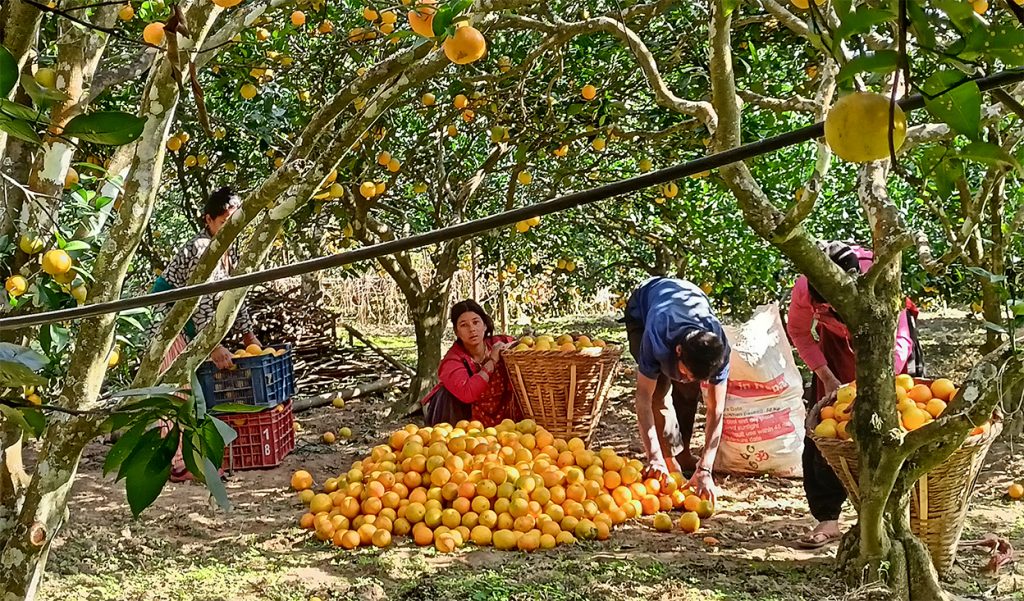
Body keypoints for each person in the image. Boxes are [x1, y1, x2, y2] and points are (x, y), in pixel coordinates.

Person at [787, 241, 921, 549]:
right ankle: (828, 518)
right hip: (835, 345)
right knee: (824, 427)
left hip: (883, 339)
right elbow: (799, 332)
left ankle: (900, 520)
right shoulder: (805, 287)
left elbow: (899, 340)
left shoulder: (879, 277)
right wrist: (828, 377)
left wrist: (875, 384)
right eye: (825, 307)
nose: (832, 310)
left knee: (901, 421)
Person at [148, 187, 262, 481]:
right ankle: (176, 465)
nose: (231, 227)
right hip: (168, 326)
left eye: (236, 221)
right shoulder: (202, 249)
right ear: (208, 220)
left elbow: (234, 297)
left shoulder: (230, 249)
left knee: (193, 395)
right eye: (225, 222)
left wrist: (248, 335)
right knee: (178, 394)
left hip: (190, 329)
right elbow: (196, 301)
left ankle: (190, 458)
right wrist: (212, 346)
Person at [623, 277, 731, 503]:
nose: (687, 377)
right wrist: (654, 457)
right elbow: (643, 397)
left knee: (688, 391)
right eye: (687, 371)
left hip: (688, 297)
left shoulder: (718, 350)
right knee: (659, 391)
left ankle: (683, 454)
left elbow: (716, 410)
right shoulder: (658, 334)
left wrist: (706, 468)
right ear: (678, 350)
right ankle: (669, 460)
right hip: (643, 310)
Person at [421, 300, 517, 427]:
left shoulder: (501, 342)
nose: (472, 329)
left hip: (504, 421)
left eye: (476, 322)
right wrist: (492, 362)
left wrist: (511, 347)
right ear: (456, 332)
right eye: (464, 325)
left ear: (485, 325)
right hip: (463, 422)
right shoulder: (452, 360)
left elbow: (528, 349)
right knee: (446, 394)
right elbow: (468, 393)